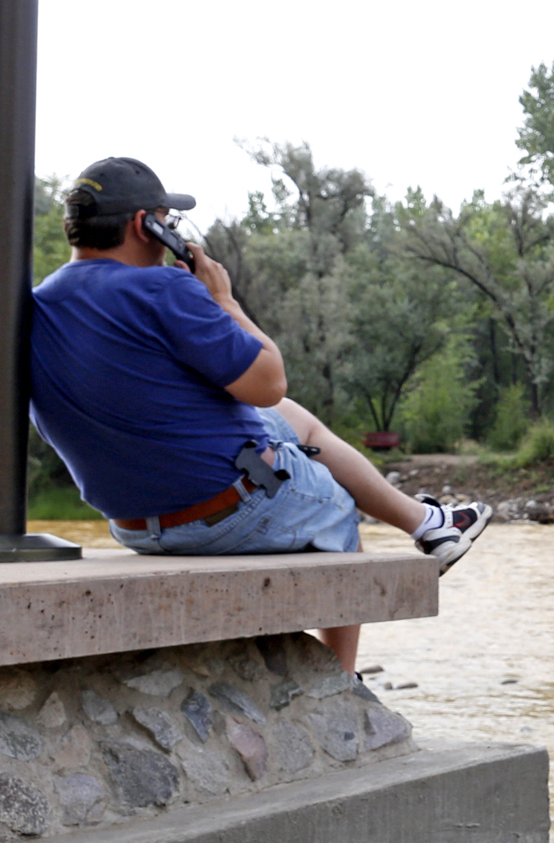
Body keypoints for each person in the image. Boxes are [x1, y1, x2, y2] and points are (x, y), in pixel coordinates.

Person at [27, 156, 487, 674]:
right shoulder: (165, 290)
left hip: (132, 524)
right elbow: (268, 382)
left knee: (297, 422)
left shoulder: (38, 302)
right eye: (167, 221)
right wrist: (224, 300)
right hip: (225, 513)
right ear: (143, 224)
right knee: (334, 506)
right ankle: (340, 682)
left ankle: (429, 523)